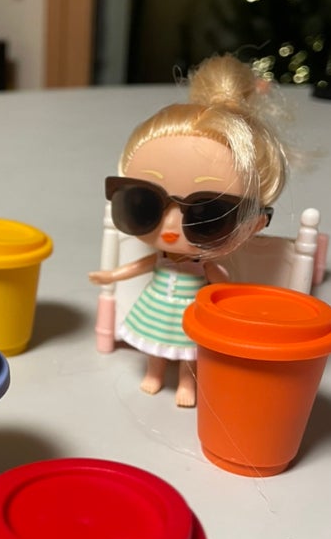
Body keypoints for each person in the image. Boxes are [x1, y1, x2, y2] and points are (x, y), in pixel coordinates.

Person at [89, 53, 289, 407]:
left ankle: (186, 383)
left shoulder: (203, 266)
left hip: (191, 312)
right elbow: (141, 266)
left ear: (254, 225)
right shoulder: (163, 258)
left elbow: (223, 286)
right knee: (156, 347)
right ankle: (153, 374)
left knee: (189, 351)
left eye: (207, 215)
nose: (170, 228)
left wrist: (235, 304)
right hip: (156, 311)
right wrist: (111, 275)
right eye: (144, 204)